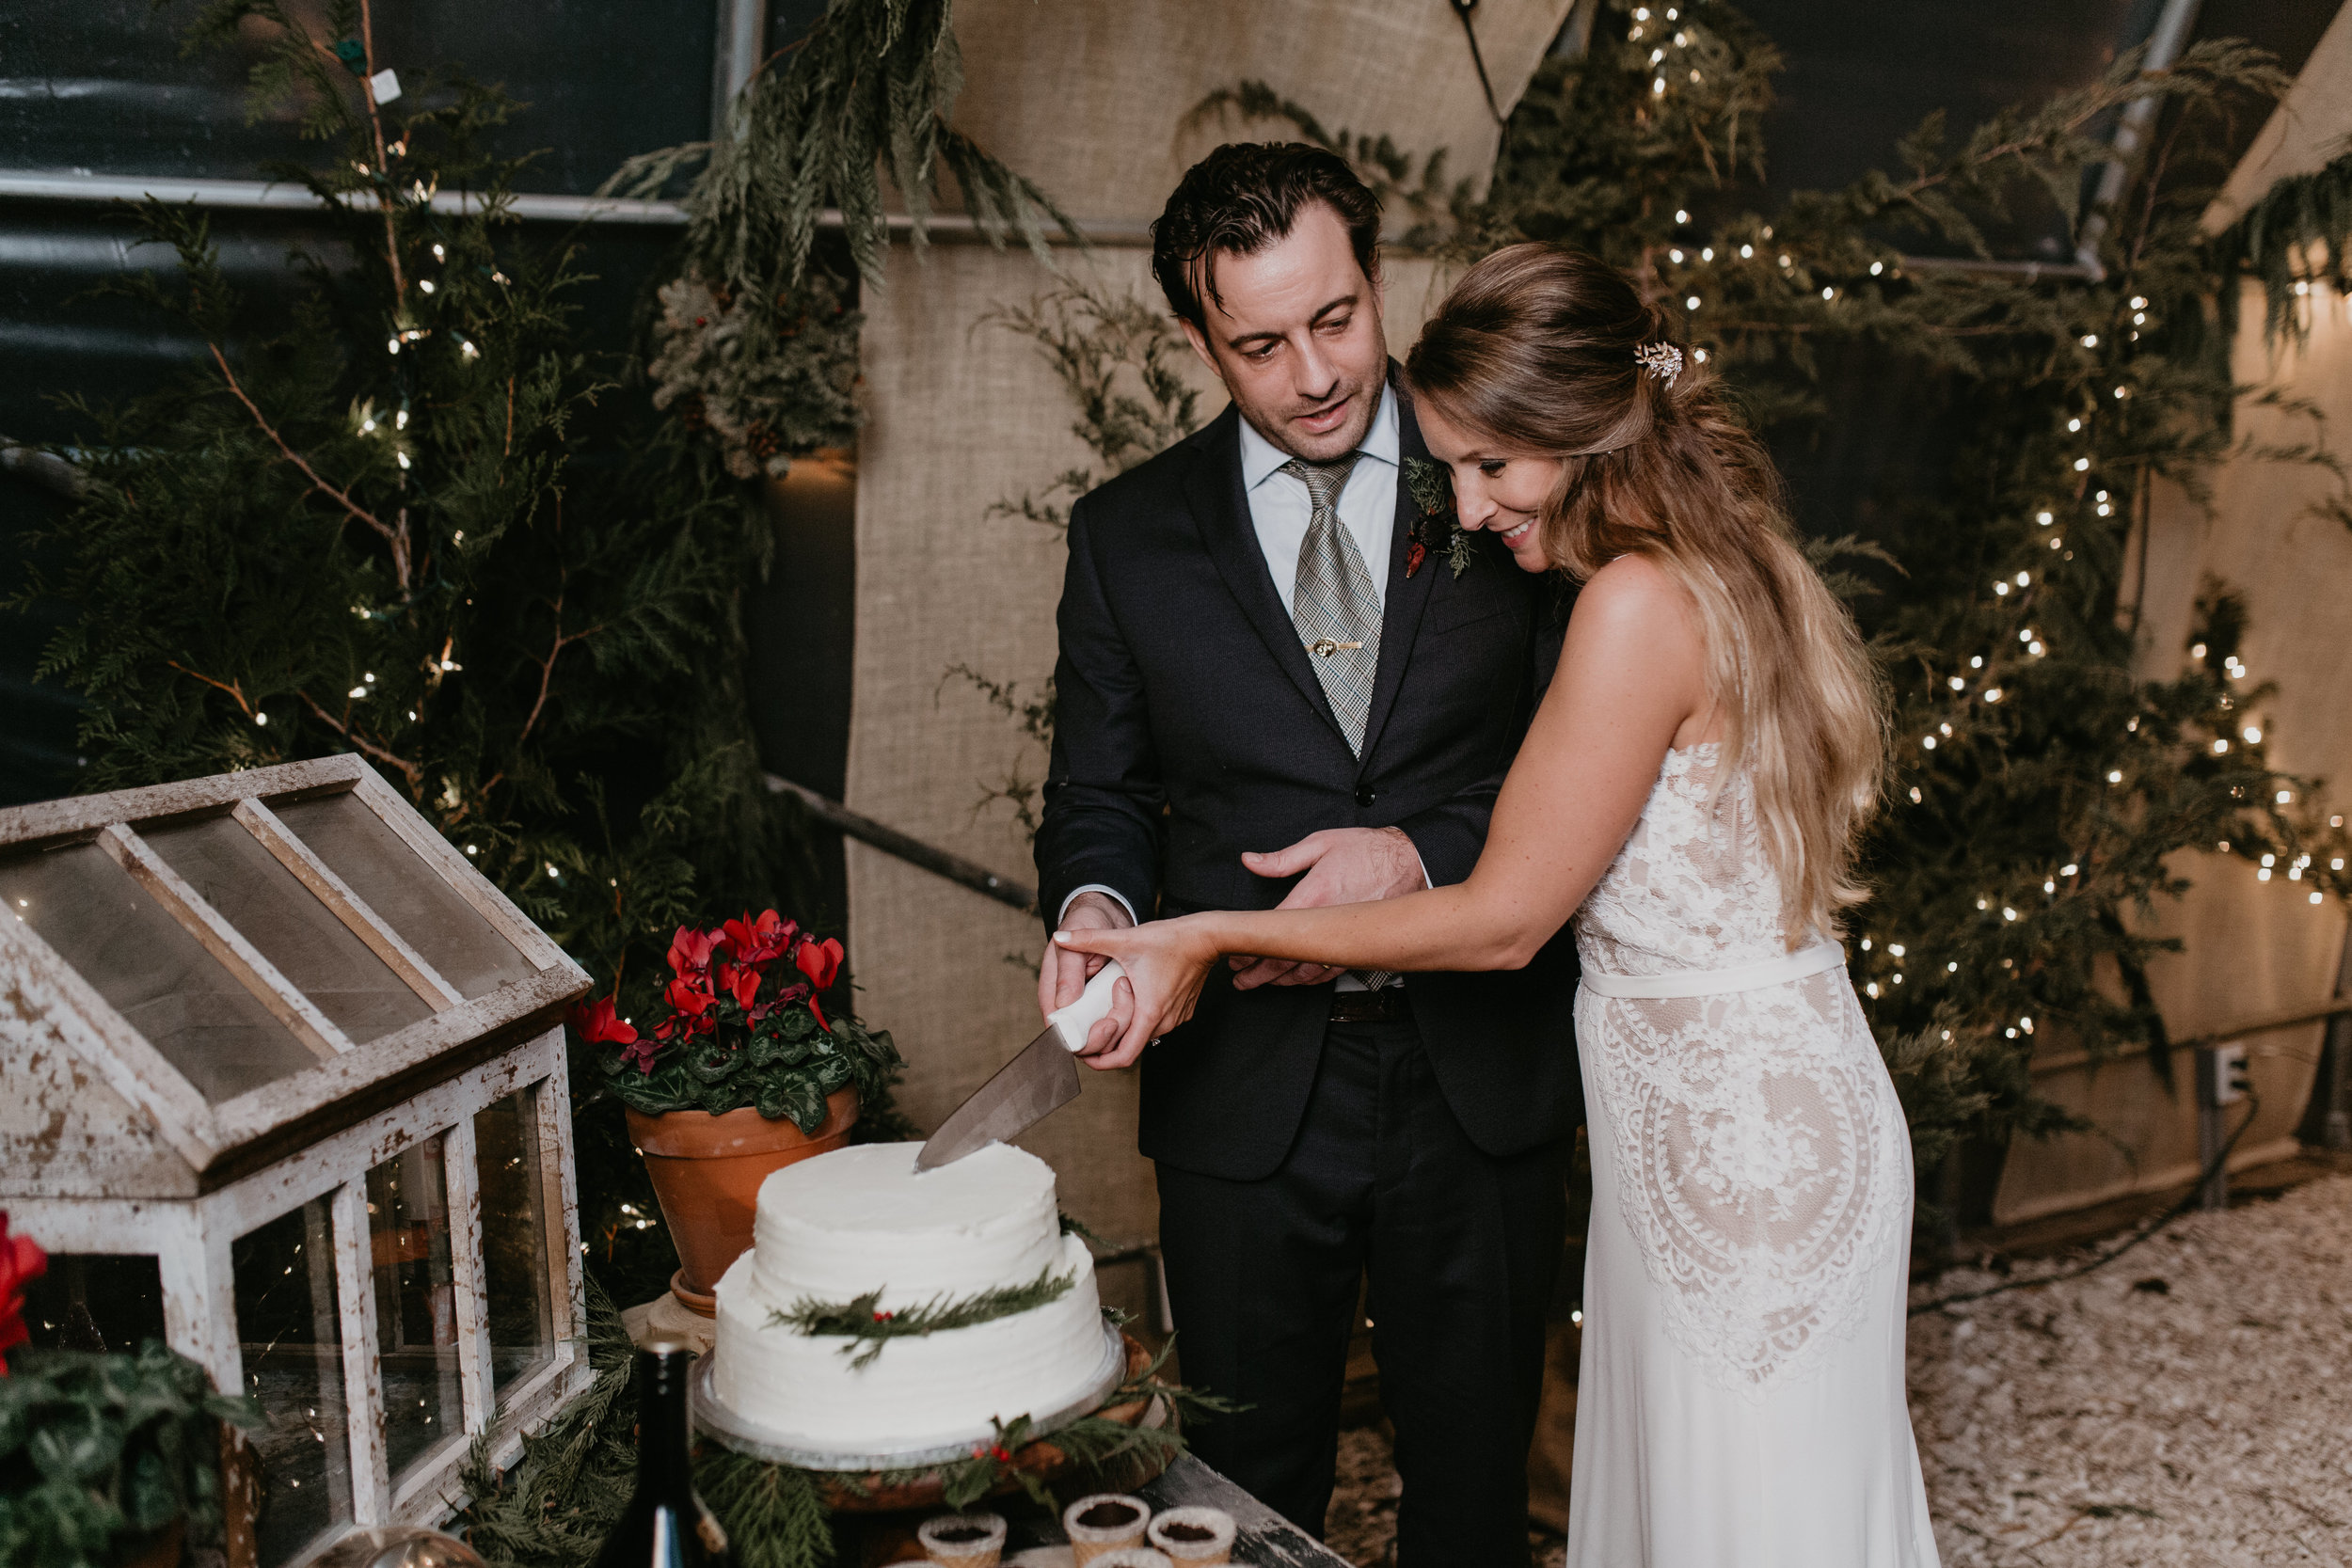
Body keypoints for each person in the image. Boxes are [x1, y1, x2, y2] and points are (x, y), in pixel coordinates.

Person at [1057, 244, 1943, 1567]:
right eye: (1455, 468)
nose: (1464, 507)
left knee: (1745, 1517)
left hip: (1740, 1156)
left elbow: (1507, 918)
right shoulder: (1712, 557)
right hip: (1722, 1124)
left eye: (1491, 468)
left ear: (1581, 433)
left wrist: (1219, 929)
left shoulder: (1634, 603)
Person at [1034, 144, 1580, 1560]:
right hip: (1247, 1088)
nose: (1317, 374)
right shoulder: (1126, 539)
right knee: (1240, 1485)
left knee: (1474, 1479)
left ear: (1378, 276)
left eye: (1336, 319)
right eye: (1262, 344)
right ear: (1198, 337)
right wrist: (1094, 910)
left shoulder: (1499, 478)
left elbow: (1590, 752)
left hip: (1482, 1063)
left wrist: (1413, 852)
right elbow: (1099, 790)